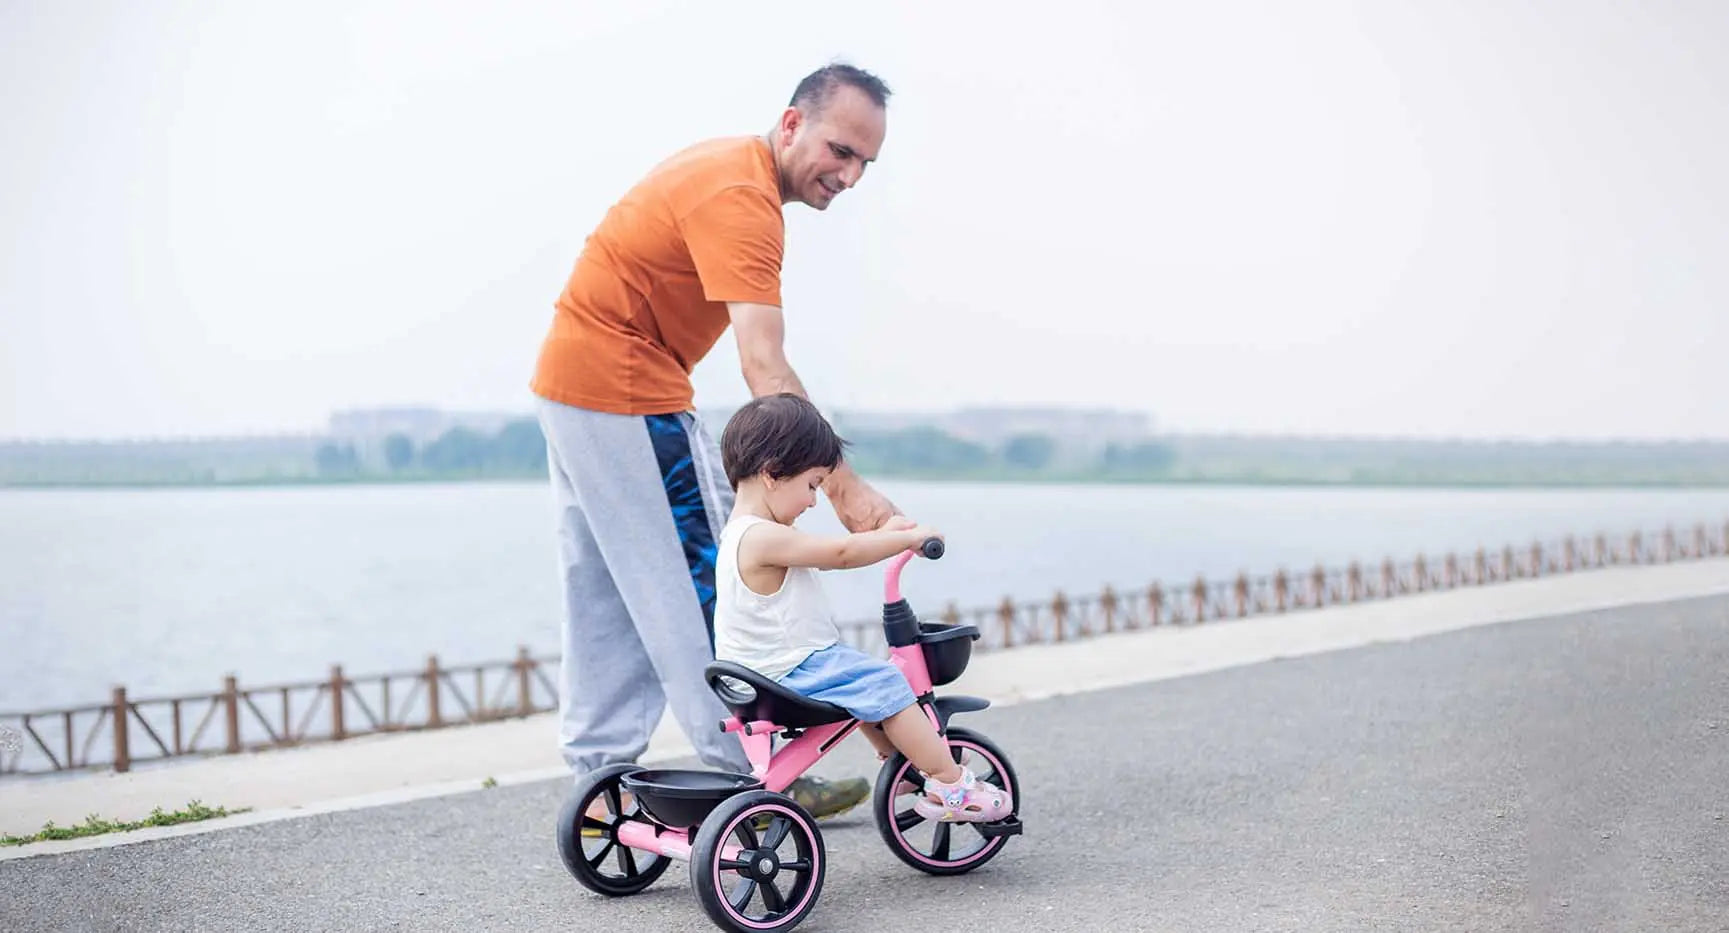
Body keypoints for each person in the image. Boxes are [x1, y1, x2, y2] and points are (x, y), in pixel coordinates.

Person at [529, 63, 905, 820]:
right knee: (713, 576)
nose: (851, 174)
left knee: (607, 585)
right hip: (626, 388)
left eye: (865, 161)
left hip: (570, 385)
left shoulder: (729, 171)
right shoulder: (743, 201)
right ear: (792, 123)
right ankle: (758, 768)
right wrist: (847, 490)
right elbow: (763, 363)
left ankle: (599, 780)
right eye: (840, 150)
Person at [714, 394, 1014, 823]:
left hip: (757, 670)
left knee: (860, 680)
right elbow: (841, 552)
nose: (814, 501)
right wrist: (905, 539)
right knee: (888, 685)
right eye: (813, 485)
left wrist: (887, 532)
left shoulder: (741, 533)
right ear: (772, 473)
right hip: (787, 671)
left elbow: (834, 551)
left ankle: (903, 768)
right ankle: (951, 784)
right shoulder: (763, 537)